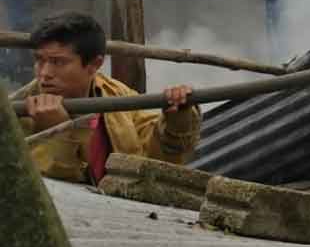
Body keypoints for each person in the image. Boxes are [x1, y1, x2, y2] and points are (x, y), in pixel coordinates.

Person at [19, 11, 201, 184]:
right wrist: (56, 132)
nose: (44, 73)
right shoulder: (17, 110)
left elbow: (160, 159)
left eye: (58, 62)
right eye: (39, 60)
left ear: (94, 64)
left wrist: (178, 117)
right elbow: (38, 189)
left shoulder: (118, 96)